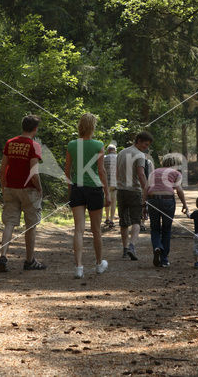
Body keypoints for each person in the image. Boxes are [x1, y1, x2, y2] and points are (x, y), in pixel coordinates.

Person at [0, 115, 47, 272]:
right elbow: (34, 172)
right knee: (30, 225)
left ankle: (3, 256)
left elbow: (3, 167)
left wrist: (3, 186)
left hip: (11, 187)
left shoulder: (10, 143)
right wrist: (39, 188)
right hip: (28, 189)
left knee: (10, 223)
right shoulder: (34, 145)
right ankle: (29, 260)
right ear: (35, 129)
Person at [65, 113, 110, 279]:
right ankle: (99, 265)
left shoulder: (71, 144)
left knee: (78, 229)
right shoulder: (98, 145)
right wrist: (107, 193)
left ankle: (78, 267)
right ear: (93, 126)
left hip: (78, 188)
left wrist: (71, 190)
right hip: (94, 189)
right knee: (96, 230)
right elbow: (101, 171)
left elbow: (67, 170)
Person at [143, 155, 188, 268]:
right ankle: (164, 259)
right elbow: (179, 190)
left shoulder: (154, 172)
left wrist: (143, 204)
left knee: (155, 228)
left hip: (152, 200)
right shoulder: (176, 173)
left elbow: (146, 188)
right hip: (168, 200)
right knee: (167, 230)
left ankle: (157, 247)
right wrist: (184, 204)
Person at [116, 131, 153, 260]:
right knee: (136, 220)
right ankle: (132, 246)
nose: (146, 147)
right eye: (144, 144)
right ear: (138, 141)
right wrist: (146, 190)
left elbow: (116, 172)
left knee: (124, 221)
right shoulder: (140, 155)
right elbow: (141, 174)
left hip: (120, 190)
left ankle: (125, 249)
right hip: (134, 190)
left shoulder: (121, 153)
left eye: (147, 145)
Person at [103, 144, 118, 229]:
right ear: (115, 150)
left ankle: (107, 218)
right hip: (115, 183)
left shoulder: (104, 158)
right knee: (113, 201)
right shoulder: (118, 158)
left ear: (108, 150)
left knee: (107, 200)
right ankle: (112, 220)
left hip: (106, 183)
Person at [139, 153, 155, 232]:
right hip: (146, 185)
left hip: (136, 186)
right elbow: (152, 175)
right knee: (144, 203)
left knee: (138, 203)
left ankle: (137, 222)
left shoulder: (134, 161)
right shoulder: (149, 162)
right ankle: (142, 223)